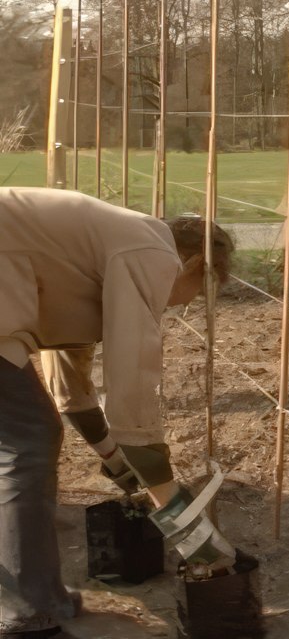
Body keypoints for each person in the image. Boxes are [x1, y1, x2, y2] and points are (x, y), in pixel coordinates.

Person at [0, 187, 243, 639]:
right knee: (26, 443)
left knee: (30, 432)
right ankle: (27, 614)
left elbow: (69, 382)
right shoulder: (151, 252)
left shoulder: (102, 248)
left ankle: (40, 599)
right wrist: (193, 538)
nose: (182, 303)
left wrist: (114, 462)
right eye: (195, 292)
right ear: (193, 265)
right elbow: (132, 382)